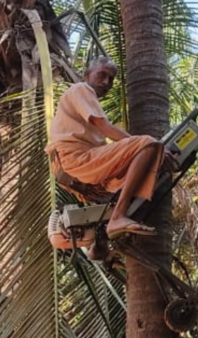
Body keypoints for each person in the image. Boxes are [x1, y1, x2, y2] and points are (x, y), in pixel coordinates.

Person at [45, 57, 175, 258]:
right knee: (150, 144)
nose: (106, 82)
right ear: (88, 73)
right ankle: (118, 217)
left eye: (111, 79)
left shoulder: (84, 102)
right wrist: (152, 149)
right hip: (77, 160)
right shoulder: (81, 89)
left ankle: (99, 243)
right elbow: (104, 127)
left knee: (132, 177)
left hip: (76, 171)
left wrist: (150, 158)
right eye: (102, 75)